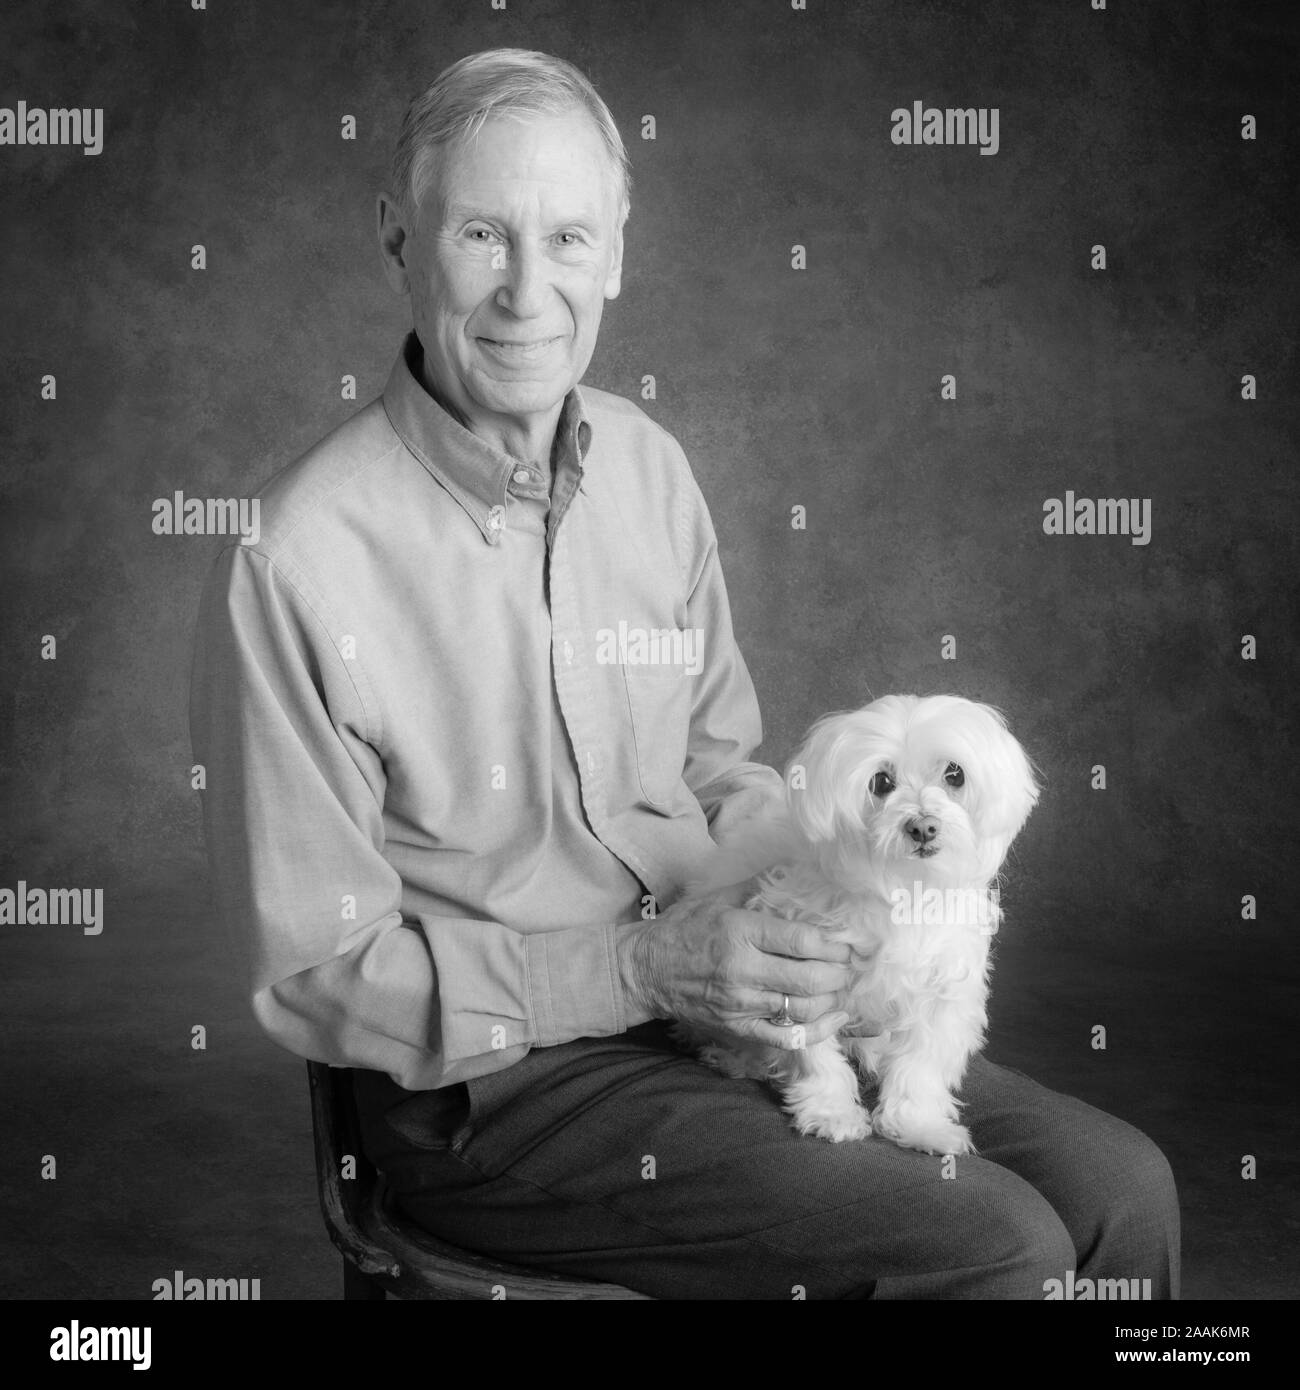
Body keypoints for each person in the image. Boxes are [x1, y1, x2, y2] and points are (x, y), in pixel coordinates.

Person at [189, 47, 1179, 1299]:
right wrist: (639, 967)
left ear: (616, 252)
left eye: (567, 238)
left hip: (724, 1010)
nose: (526, 292)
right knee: (997, 1245)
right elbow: (315, 977)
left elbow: (721, 774)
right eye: (482, 234)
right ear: (399, 236)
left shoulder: (651, 471)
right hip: (495, 1092)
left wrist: (820, 904)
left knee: (1122, 1191)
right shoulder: (295, 563)